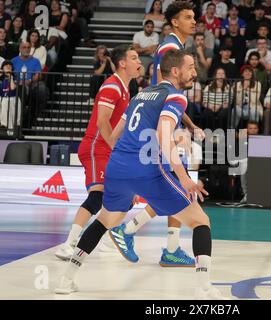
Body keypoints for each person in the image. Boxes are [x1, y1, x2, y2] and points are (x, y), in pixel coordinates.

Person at [55, 49, 225, 299]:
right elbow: (162, 136)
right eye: (190, 67)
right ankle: (204, 288)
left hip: (117, 167)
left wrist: (128, 176)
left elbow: (113, 137)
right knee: (201, 221)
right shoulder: (176, 97)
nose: (194, 71)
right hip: (146, 170)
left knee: (105, 220)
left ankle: (65, 279)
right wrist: (185, 176)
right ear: (175, 71)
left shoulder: (141, 94)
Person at [111, 1, 204, 267]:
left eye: (194, 16)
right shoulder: (171, 48)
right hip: (159, 123)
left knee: (175, 185)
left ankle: (168, 246)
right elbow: (165, 92)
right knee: (175, 183)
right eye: (188, 17)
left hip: (165, 119)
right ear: (175, 22)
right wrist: (182, 127)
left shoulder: (175, 46)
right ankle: (130, 231)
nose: (194, 21)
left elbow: (171, 95)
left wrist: (189, 124)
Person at [54, 45, 143, 260]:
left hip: (109, 149)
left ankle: (104, 239)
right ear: (123, 63)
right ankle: (68, 245)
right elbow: (102, 121)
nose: (139, 61)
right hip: (97, 147)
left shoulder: (126, 89)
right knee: (96, 198)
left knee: (124, 196)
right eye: (134, 57)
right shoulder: (112, 86)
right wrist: (115, 147)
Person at [0, 60, 21, 136]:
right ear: (2, 68)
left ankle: (5, 125)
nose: (8, 67)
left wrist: (10, 76)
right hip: (1, 98)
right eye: (6, 65)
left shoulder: (15, 76)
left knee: (5, 102)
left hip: (13, 98)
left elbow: (13, 87)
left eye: (9, 66)